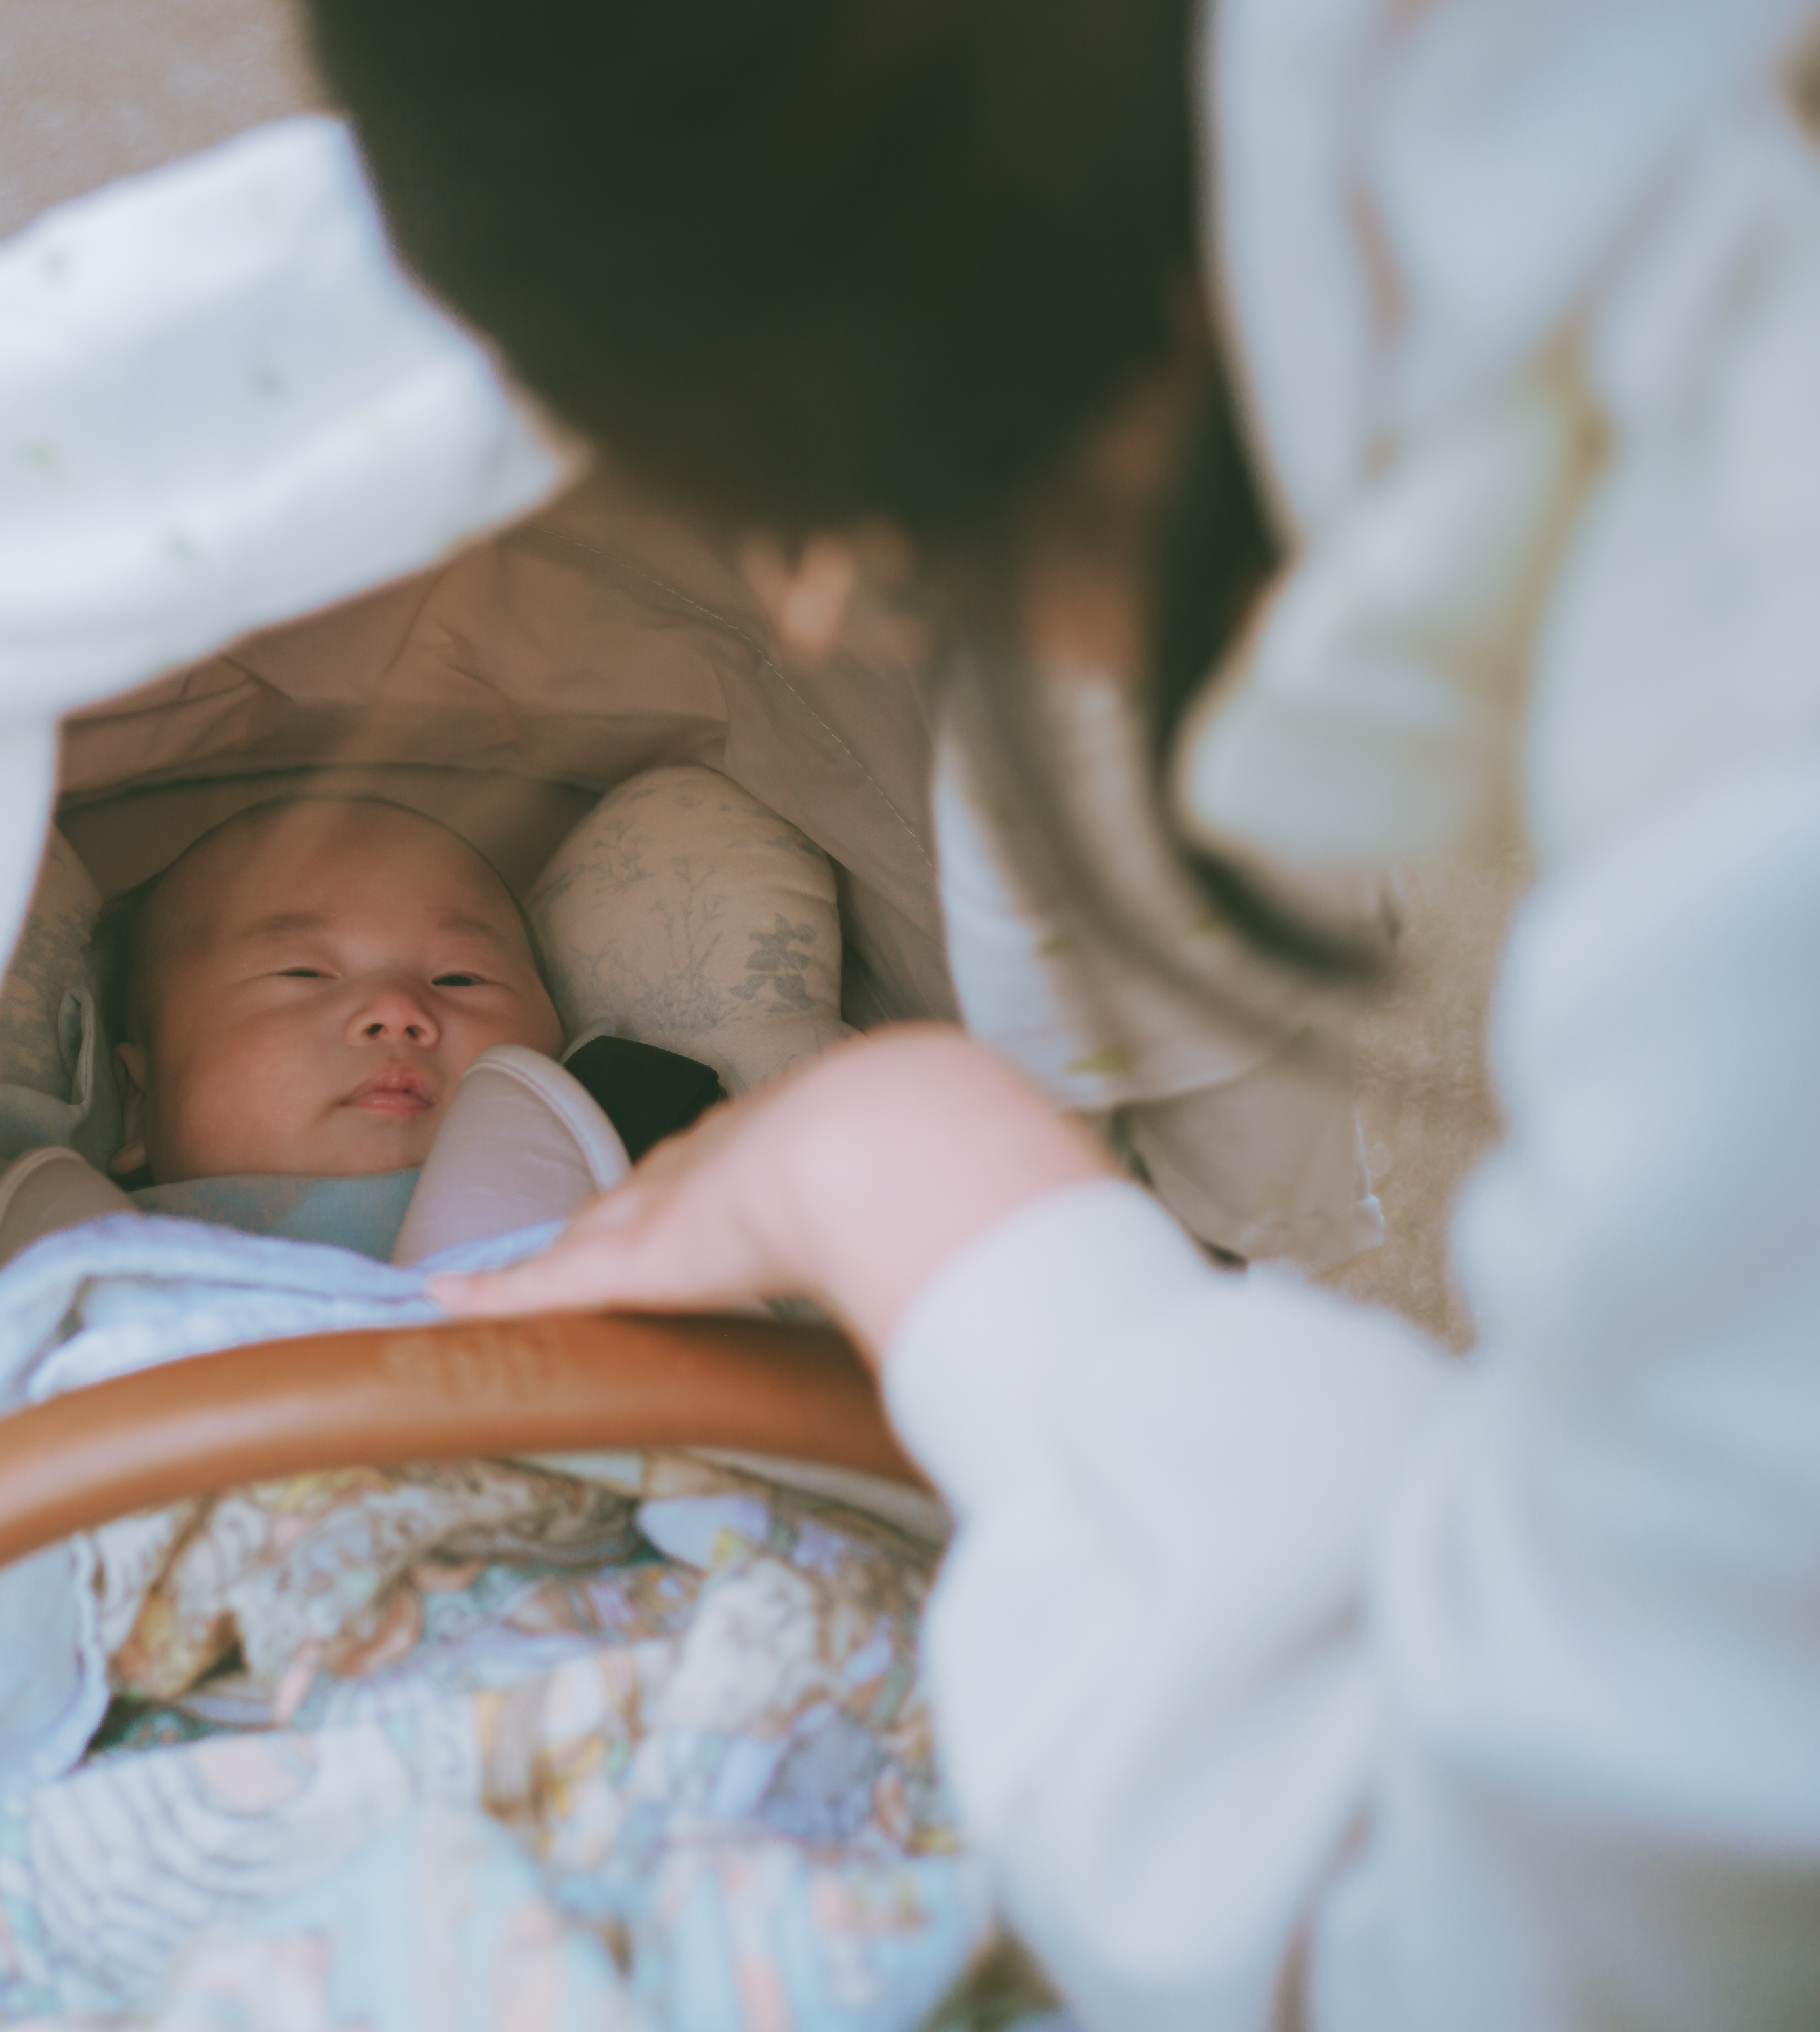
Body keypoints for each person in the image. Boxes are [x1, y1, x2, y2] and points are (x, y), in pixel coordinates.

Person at [305, 0, 1820, 2026]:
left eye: (820, 514)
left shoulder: (1751, 784)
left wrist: (920, 1189)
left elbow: (1509, 1936)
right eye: (291, 972)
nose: (820, 601)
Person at [0, 794, 635, 1283]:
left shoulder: (645, 1187)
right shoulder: (75, 1246)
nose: (398, 1010)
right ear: (140, 1102)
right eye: (303, 973)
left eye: (461, 978)